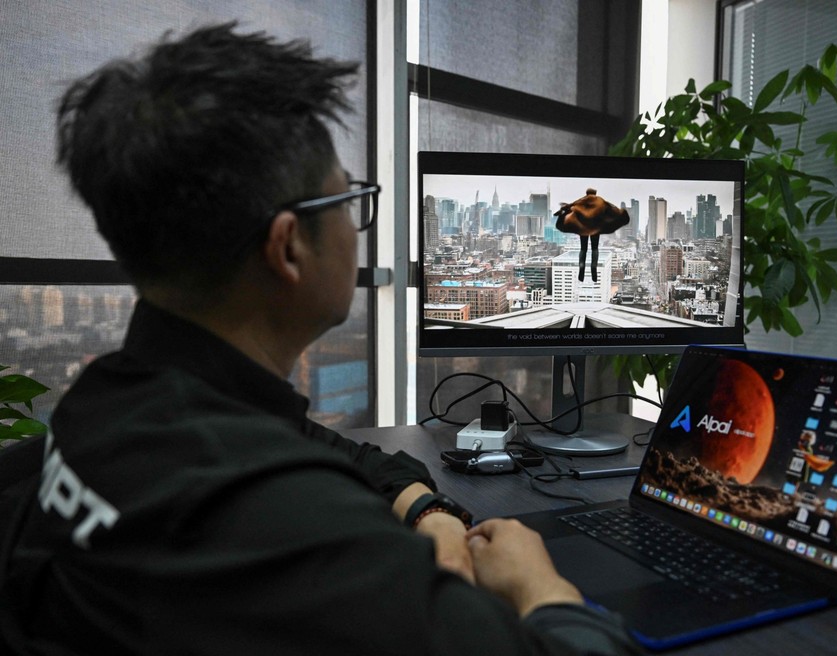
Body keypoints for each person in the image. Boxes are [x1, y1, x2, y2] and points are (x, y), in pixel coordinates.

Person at [0, 22, 643, 655]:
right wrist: (543, 591)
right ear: (287, 247)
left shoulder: (112, 404)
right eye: (349, 199)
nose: (356, 224)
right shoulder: (307, 542)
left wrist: (429, 510)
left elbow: (317, 444)